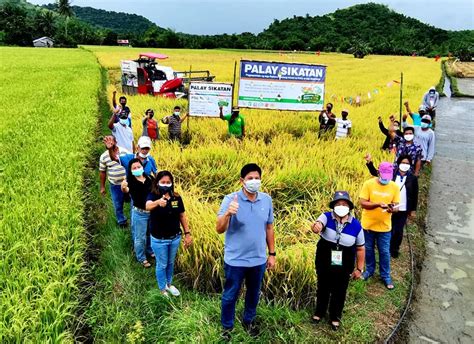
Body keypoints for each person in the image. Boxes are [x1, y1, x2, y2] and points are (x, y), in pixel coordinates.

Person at [216, 163, 276, 340]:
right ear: (242, 181)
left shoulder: (266, 200)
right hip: (235, 260)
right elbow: (219, 229)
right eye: (250, 178)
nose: (254, 181)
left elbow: (269, 227)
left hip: (258, 259)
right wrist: (228, 214)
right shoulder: (230, 199)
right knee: (230, 294)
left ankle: (248, 321)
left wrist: (272, 254)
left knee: (253, 293)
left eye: (257, 178)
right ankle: (227, 327)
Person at [311, 191, 365, 330]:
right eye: (338, 204)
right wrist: (316, 227)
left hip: (345, 259)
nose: (341, 206)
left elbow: (360, 248)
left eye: (344, 204)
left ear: (349, 207)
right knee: (323, 285)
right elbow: (318, 224)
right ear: (334, 206)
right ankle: (319, 312)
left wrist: (359, 268)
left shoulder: (356, 225)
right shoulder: (326, 216)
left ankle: (335, 316)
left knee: (340, 289)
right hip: (324, 256)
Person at [145, 170, 192, 296]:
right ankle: (162, 289)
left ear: (172, 183)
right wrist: (158, 203)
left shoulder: (176, 197)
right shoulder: (153, 195)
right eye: (163, 182)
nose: (166, 184)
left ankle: (169, 284)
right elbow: (148, 206)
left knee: (170, 263)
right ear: (157, 183)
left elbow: (182, 216)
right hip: (159, 239)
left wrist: (187, 233)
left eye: (168, 182)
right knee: (162, 264)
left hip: (174, 237)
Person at [365, 154, 419, 258]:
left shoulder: (412, 178)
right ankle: (384, 247)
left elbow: (415, 194)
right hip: (389, 207)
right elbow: (376, 173)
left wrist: (413, 210)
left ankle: (394, 249)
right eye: (403, 163)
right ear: (398, 163)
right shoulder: (392, 174)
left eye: (407, 163)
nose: (405, 165)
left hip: (402, 208)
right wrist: (369, 162)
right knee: (388, 228)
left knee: (398, 230)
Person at [359, 162, 400, 289]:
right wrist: (377, 204)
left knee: (384, 251)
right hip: (368, 225)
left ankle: (386, 276)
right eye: (384, 176)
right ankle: (369, 270)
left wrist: (392, 209)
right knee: (368, 249)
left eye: (388, 177)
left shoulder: (394, 187)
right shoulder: (368, 184)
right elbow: (362, 203)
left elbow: (397, 206)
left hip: (385, 226)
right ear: (378, 172)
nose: (386, 180)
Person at [121, 158, 154, 267]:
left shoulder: (149, 178)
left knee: (150, 234)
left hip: (152, 212)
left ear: (142, 167)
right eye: (134, 168)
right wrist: (124, 189)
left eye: (138, 167)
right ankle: (141, 257)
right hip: (139, 213)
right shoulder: (130, 182)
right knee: (140, 237)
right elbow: (126, 194)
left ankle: (149, 250)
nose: (137, 169)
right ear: (130, 171)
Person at [99, 136, 128, 228]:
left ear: (116, 141)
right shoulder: (103, 156)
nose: (109, 143)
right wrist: (102, 187)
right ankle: (122, 222)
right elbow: (102, 172)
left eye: (111, 141)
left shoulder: (124, 152)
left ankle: (134, 221)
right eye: (107, 141)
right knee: (118, 204)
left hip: (128, 183)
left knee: (133, 202)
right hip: (115, 185)